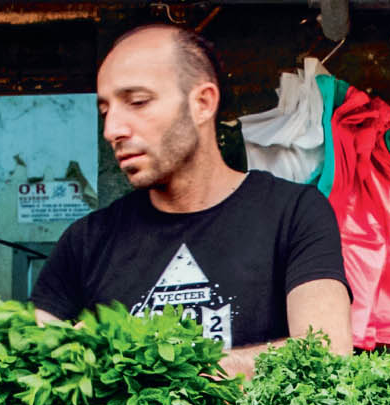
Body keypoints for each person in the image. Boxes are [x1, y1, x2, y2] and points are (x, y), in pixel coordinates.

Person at [32, 24, 353, 377]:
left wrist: (145, 361)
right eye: (105, 110)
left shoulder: (293, 214)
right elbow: (30, 364)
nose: (113, 130)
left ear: (202, 103)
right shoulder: (85, 242)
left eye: (137, 102)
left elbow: (327, 356)